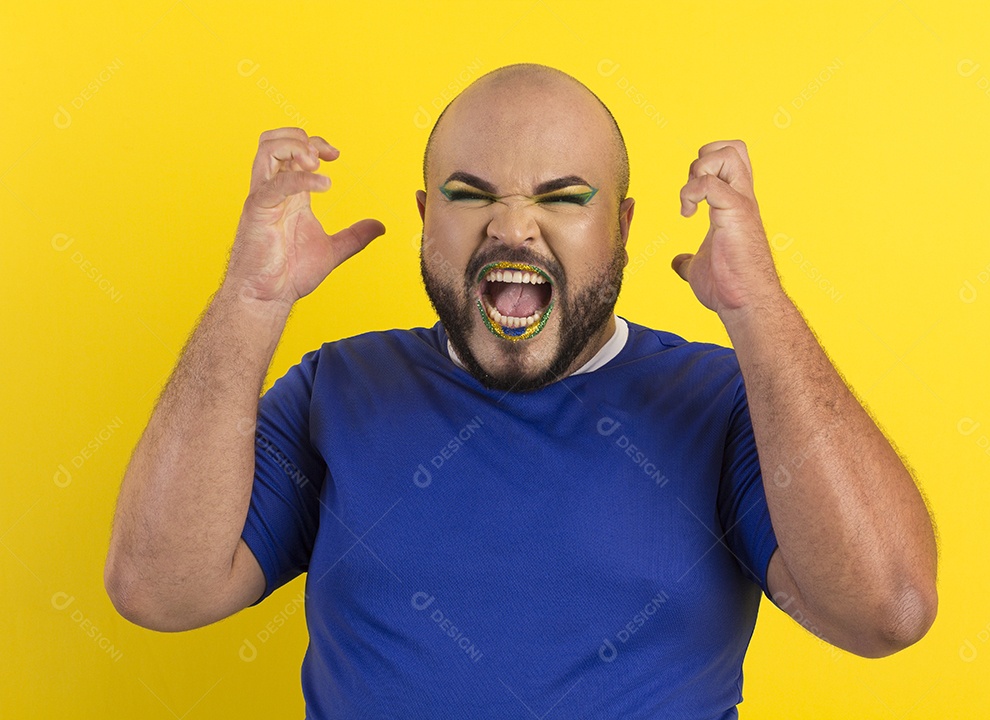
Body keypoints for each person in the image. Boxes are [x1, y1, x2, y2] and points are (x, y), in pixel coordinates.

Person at [104, 63, 938, 718]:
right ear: (427, 218)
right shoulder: (338, 387)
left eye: (563, 197)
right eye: (470, 195)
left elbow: (885, 611)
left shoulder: (719, 400)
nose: (510, 227)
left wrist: (760, 312)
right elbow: (158, 590)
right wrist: (251, 302)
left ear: (622, 226)